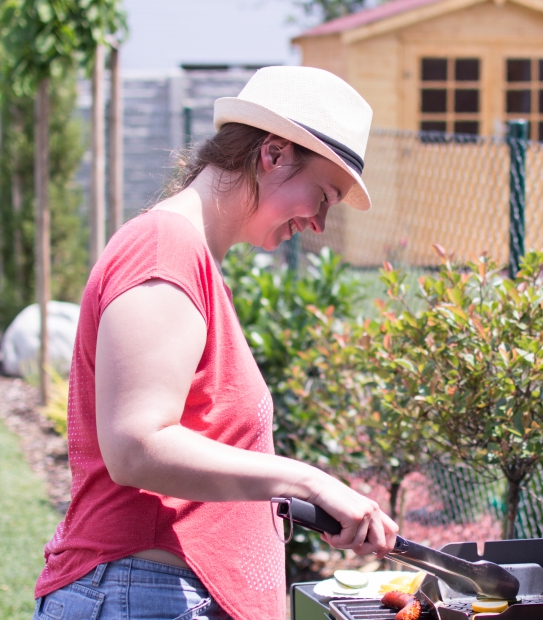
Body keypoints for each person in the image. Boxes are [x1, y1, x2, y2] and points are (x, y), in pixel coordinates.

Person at [32, 66, 398, 620]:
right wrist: (310, 480)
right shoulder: (164, 248)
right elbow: (137, 446)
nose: (320, 222)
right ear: (273, 154)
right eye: (323, 195)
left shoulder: (190, 258)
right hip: (145, 594)